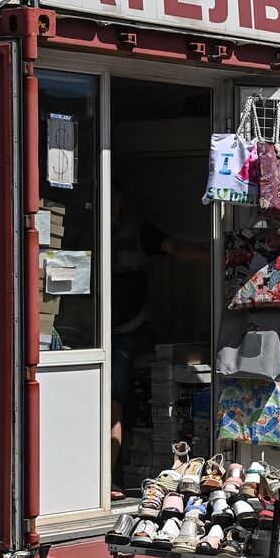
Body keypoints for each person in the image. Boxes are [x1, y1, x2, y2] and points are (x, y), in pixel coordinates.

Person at [110, 181, 208, 490]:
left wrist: (218, 255)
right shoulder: (84, 228)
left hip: (126, 329)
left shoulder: (137, 231)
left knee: (115, 402)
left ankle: (107, 480)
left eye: (112, 194)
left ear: (120, 199)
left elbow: (176, 248)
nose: (106, 201)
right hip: (87, 331)